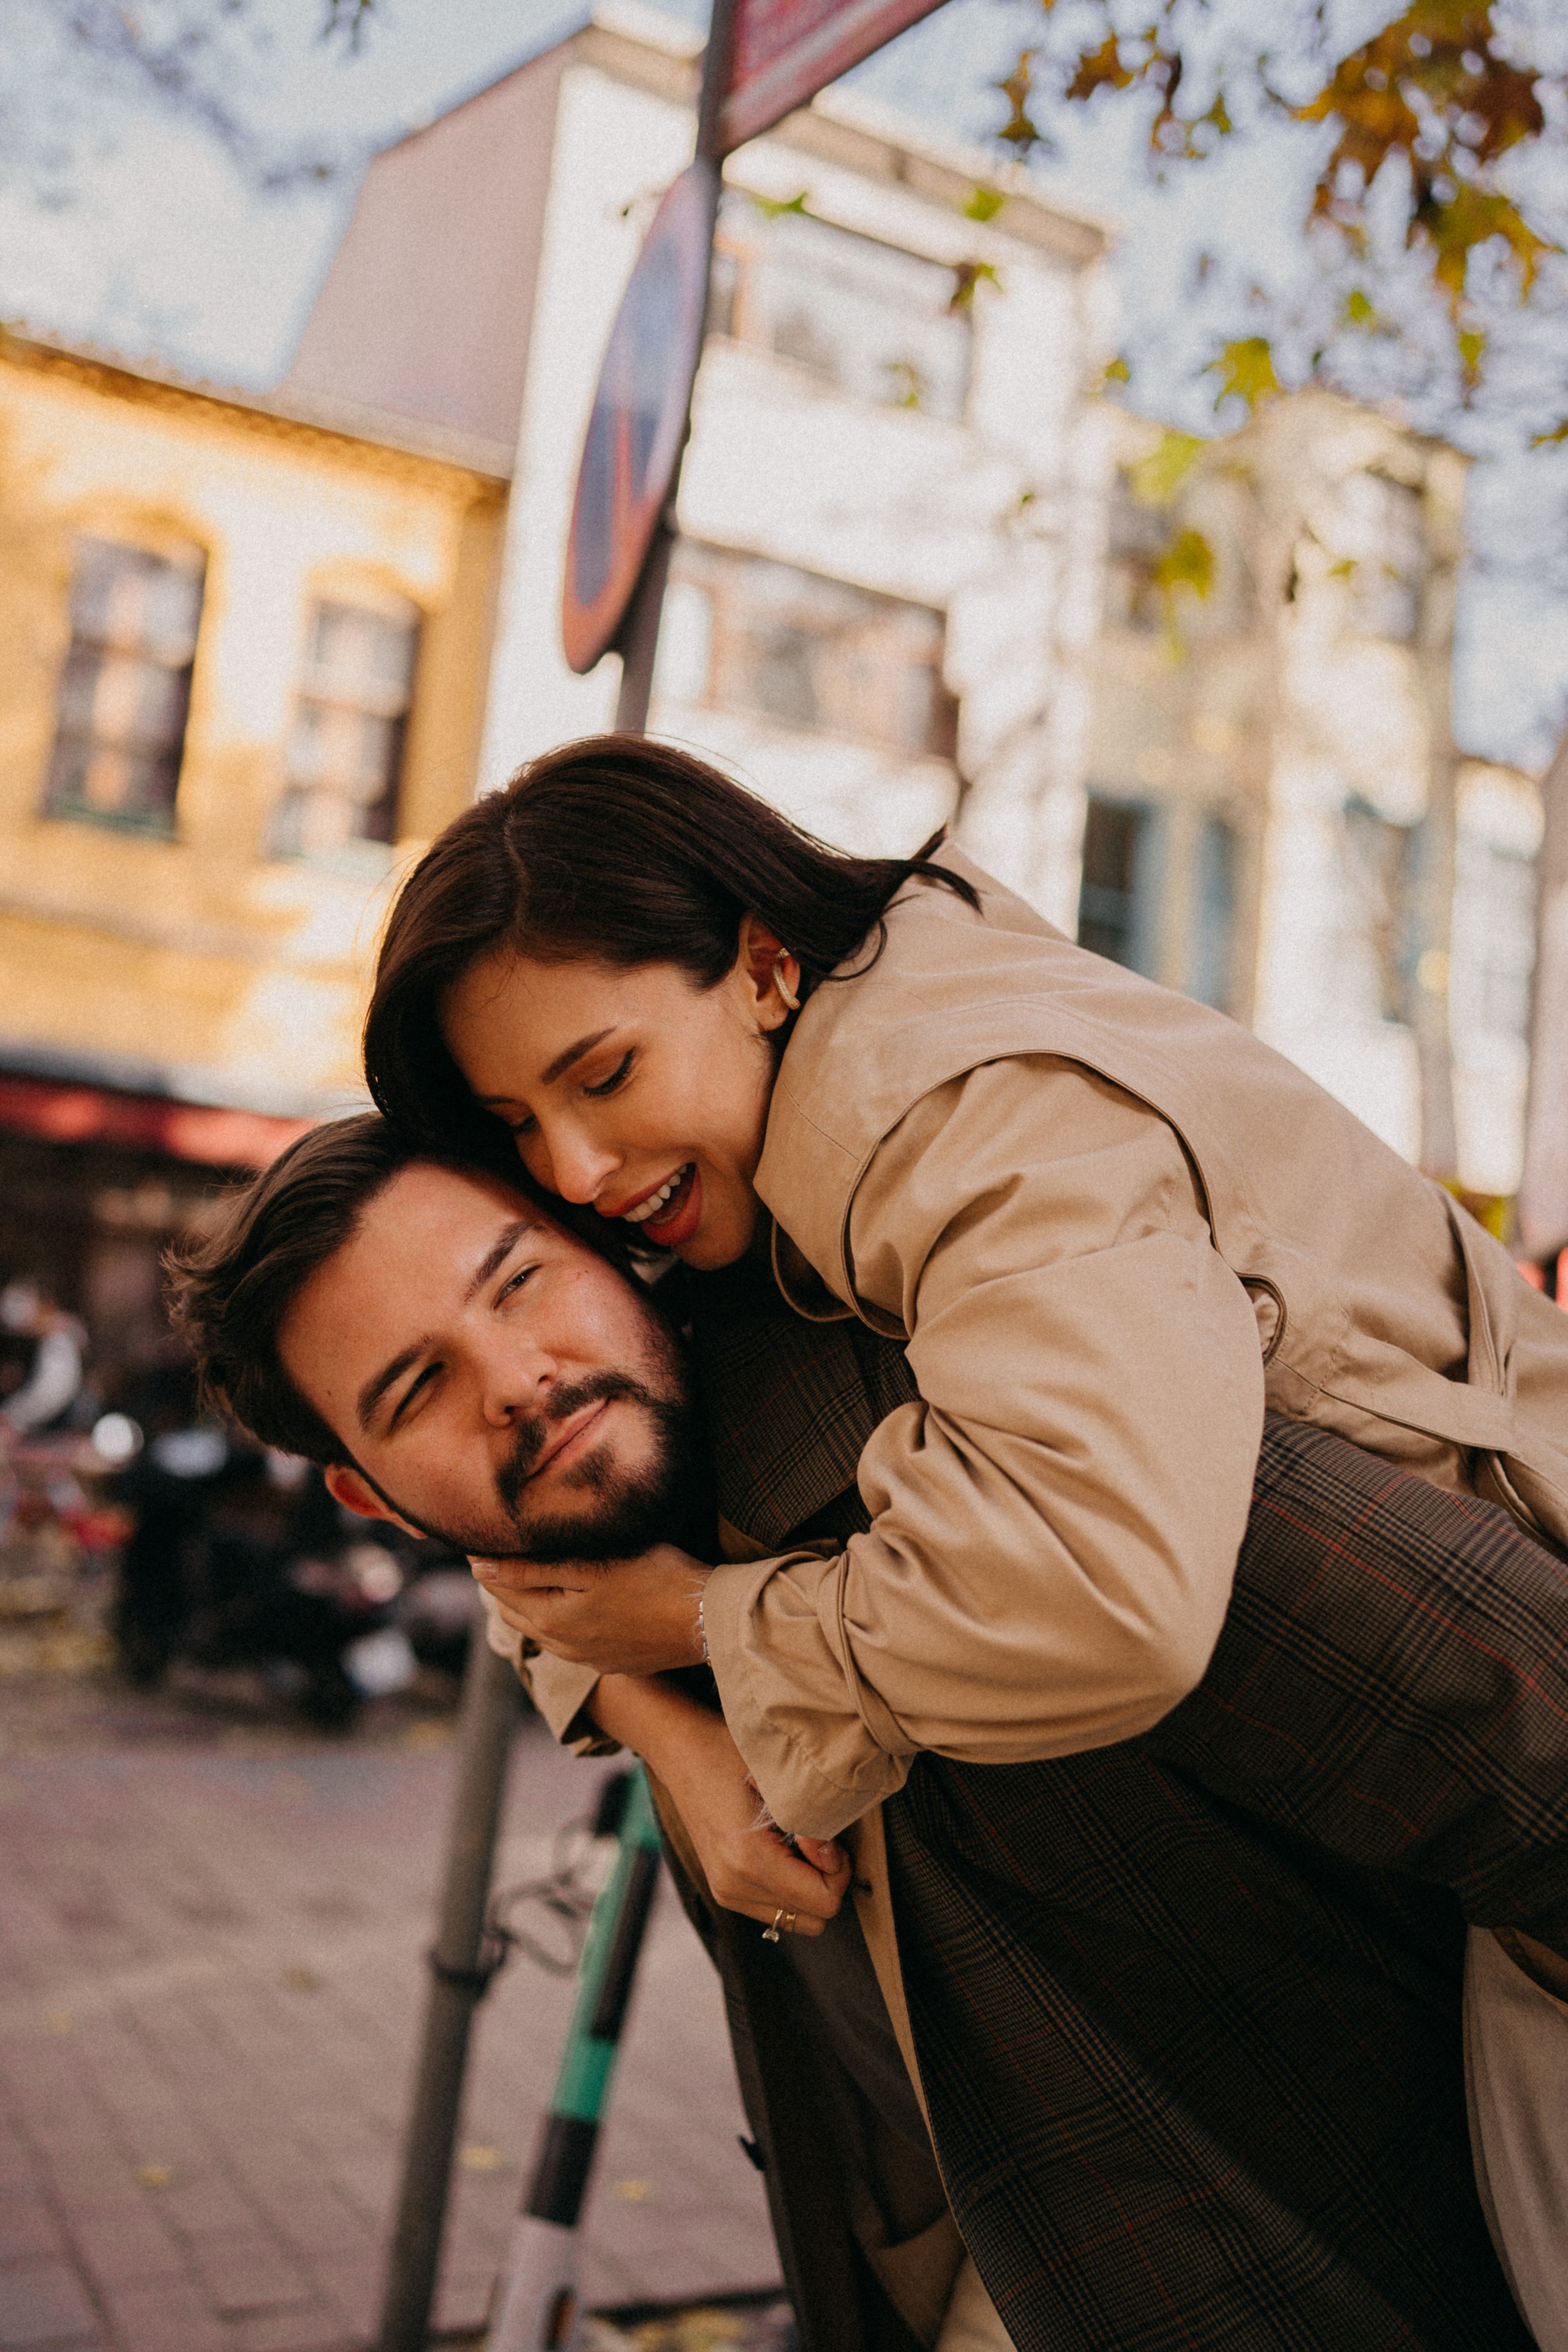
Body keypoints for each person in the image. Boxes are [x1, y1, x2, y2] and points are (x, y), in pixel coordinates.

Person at [359, 733, 1568, 2343]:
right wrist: (663, 1725)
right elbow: (547, 1509)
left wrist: (707, 1627)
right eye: (518, 1122)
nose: (574, 1169)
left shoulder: (962, 1105)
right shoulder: (749, 1157)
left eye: (603, 1075)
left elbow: (1092, 1591)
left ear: (763, 966)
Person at [170, 1117, 1568, 2351]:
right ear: (375, 1500)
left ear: (616, 1252)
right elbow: (528, 1597)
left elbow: (1532, 1715)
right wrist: (648, 1705)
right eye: (417, 1390)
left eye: (520, 1282)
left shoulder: (980, 1452)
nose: (519, 1379)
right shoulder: (605, 1586)